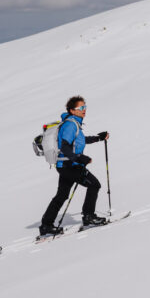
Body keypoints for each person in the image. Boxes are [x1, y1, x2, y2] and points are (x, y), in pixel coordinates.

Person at [39, 96, 109, 236]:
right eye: (81, 108)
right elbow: (64, 146)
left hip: (65, 165)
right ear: (72, 110)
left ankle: (46, 225)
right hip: (70, 165)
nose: (84, 110)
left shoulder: (74, 123)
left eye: (85, 107)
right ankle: (88, 217)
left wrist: (97, 138)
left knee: (62, 195)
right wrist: (80, 158)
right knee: (94, 185)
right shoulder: (71, 124)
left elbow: (79, 140)